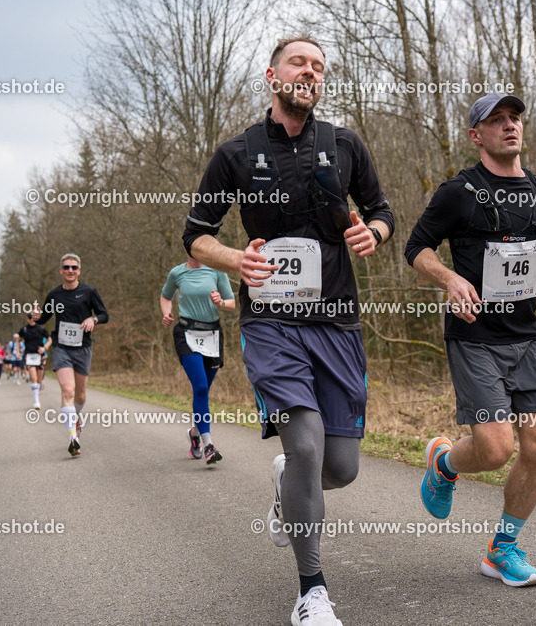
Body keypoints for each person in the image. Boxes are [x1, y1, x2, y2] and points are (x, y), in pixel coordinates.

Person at [184, 36, 394, 625]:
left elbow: (382, 210)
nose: (310, 72)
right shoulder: (236, 153)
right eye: (298, 62)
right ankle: (311, 591)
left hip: (337, 322)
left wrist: (373, 233)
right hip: (271, 323)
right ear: (272, 75)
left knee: (339, 468)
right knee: (303, 444)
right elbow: (195, 235)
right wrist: (236, 260)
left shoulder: (345, 144)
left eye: (318, 67)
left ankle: (288, 485)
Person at [405, 93, 536, 587]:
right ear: (476, 135)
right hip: (475, 336)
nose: (509, 125)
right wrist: (450, 280)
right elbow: (417, 247)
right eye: (496, 120)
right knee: (496, 449)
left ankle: (502, 549)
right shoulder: (458, 192)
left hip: (526, 336)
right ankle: (444, 463)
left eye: (514, 118)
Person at [160, 256, 235, 465]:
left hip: (212, 334)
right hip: (186, 333)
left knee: (203, 391)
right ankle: (208, 444)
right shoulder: (177, 273)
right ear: (187, 249)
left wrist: (221, 302)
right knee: (200, 387)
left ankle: (194, 432)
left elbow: (231, 303)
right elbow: (165, 296)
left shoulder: (217, 271)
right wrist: (166, 313)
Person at [35, 253, 109, 457]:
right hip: (61, 348)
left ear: (79, 270)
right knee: (67, 390)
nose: (70, 270)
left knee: (80, 396)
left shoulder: (89, 291)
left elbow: (104, 315)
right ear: (60, 270)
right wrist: (35, 317)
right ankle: (73, 438)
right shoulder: (54, 295)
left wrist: (93, 319)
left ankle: (75, 418)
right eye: (66, 267)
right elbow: (43, 318)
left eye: (74, 267)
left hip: (83, 347)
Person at [19, 310, 51, 411]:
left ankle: (39, 383)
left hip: (40, 355)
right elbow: (18, 340)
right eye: (30, 318)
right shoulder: (24, 330)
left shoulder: (41, 329)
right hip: (29, 355)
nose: (32, 320)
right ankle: (36, 401)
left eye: (33, 318)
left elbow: (50, 339)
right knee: (33, 377)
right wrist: (18, 351)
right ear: (27, 319)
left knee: (39, 380)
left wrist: (44, 348)